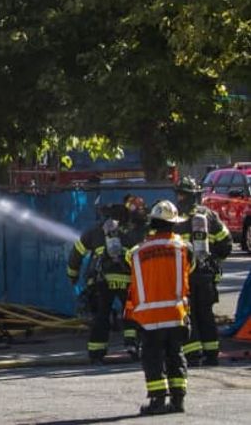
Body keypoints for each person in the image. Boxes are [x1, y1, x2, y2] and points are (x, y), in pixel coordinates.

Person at [124, 200, 191, 415]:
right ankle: (178, 400)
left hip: (149, 317)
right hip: (175, 313)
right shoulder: (183, 248)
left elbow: (132, 280)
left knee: (153, 358)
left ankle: (158, 401)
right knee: (176, 355)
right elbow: (193, 267)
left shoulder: (136, 253)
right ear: (173, 224)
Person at [66, 197, 148, 362]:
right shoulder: (131, 234)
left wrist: (72, 275)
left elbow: (76, 254)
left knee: (101, 317)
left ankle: (96, 353)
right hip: (126, 280)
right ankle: (132, 346)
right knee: (130, 314)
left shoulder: (95, 232)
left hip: (101, 280)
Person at [172, 177, 232, 366]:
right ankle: (212, 353)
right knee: (206, 314)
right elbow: (226, 243)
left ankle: (193, 354)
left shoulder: (175, 221)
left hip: (185, 278)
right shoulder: (210, 216)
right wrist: (213, 261)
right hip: (206, 277)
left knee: (189, 314)